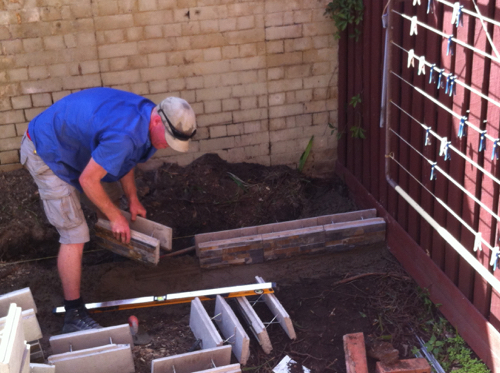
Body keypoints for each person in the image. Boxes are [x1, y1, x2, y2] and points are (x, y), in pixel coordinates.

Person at [19, 87, 197, 333]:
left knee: (112, 199)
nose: (166, 145)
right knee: (75, 233)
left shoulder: (145, 116)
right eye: (167, 139)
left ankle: (115, 252)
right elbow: (88, 180)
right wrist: (115, 217)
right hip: (46, 152)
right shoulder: (124, 133)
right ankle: (73, 313)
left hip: (76, 149)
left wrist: (133, 198)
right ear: (157, 119)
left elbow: (125, 159)